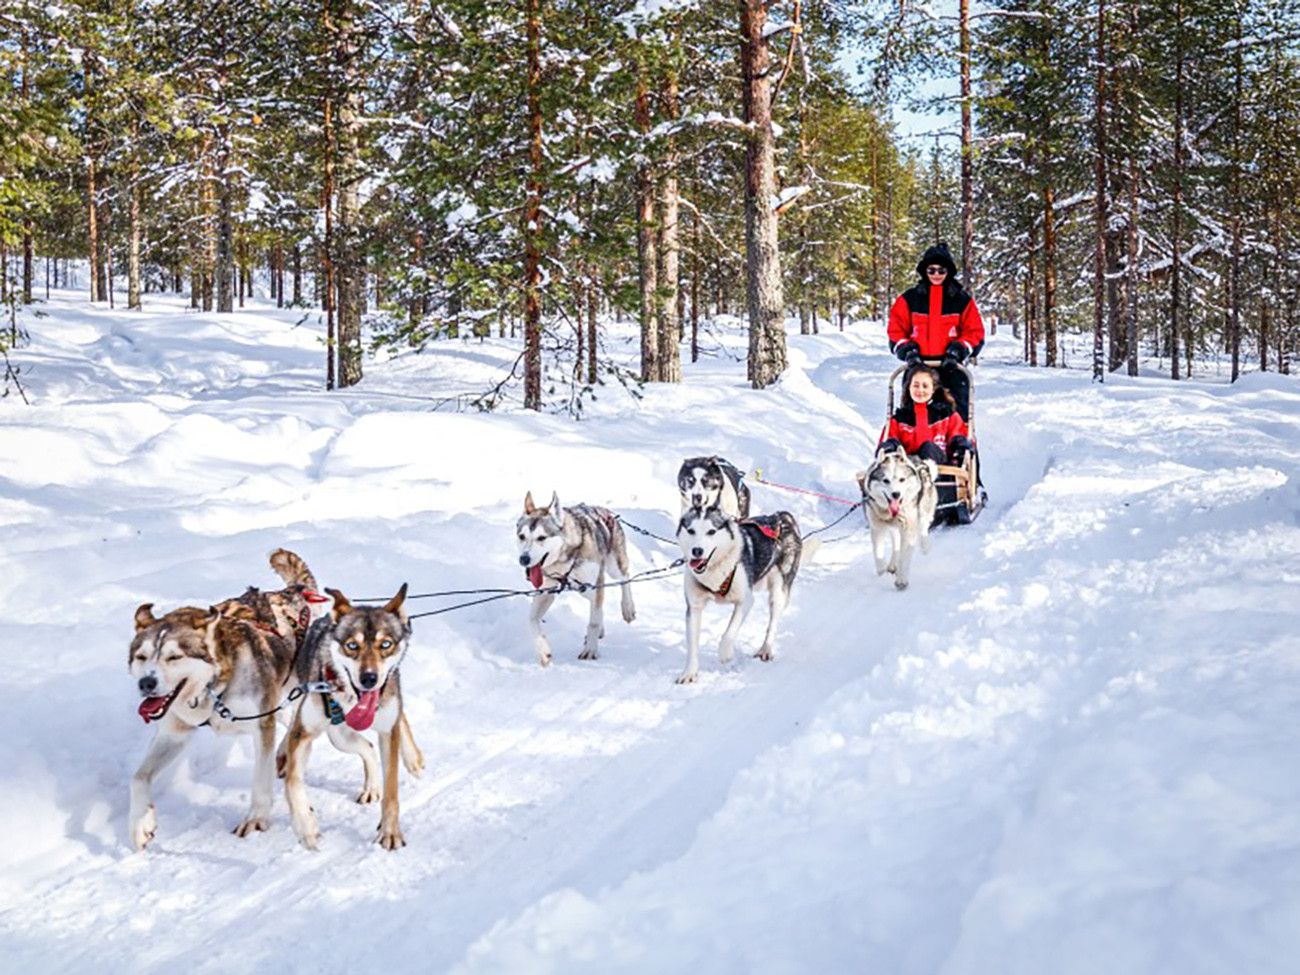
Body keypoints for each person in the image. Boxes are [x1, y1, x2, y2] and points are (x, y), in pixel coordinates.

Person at [887, 241, 984, 421]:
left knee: (956, 417)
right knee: (913, 416)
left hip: (952, 369)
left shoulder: (961, 300)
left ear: (949, 272)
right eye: (931, 270)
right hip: (918, 367)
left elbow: (975, 332)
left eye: (941, 270)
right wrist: (909, 351)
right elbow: (896, 330)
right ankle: (915, 445)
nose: (936, 275)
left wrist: (958, 349)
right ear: (925, 271)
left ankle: (959, 445)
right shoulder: (910, 299)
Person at [878, 364, 973, 468]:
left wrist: (961, 448)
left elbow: (958, 435)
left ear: (933, 389)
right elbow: (889, 439)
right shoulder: (899, 419)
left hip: (940, 468)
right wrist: (889, 447)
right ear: (909, 387)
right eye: (916, 385)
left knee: (928, 448)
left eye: (925, 386)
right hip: (906, 471)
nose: (920, 390)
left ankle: (924, 473)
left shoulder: (947, 416)